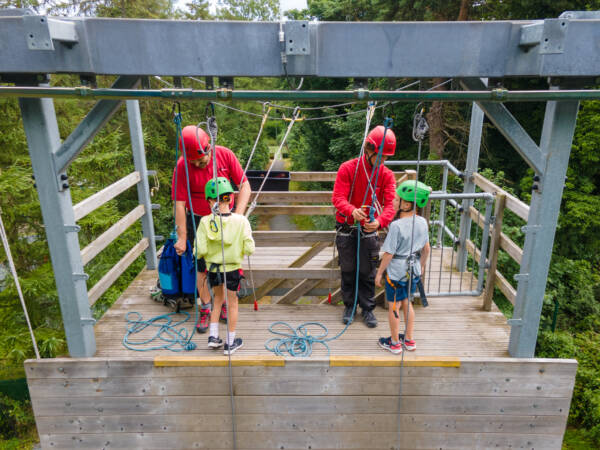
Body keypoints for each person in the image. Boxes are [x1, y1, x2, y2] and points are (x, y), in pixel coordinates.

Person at [172, 125, 251, 333]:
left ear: (208, 149)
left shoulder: (225, 155)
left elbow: (245, 186)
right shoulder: (182, 166)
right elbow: (180, 203)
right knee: (201, 266)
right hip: (198, 220)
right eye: (194, 163)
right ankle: (206, 306)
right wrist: (182, 237)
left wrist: (238, 218)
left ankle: (222, 303)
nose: (198, 165)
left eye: (201, 160)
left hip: (227, 219)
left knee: (226, 263)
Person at [331, 125, 398, 328]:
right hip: (347, 227)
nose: (382, 161)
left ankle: (367, 309)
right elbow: (338, 197)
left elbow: (390, 205)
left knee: (367, 271)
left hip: (369, 229)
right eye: (380, 156)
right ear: (368, 150)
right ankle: (350, 306)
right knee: (349, 270)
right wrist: (352, 210)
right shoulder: (348, 168)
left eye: (385, 158)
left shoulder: (386, 175)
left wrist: (380, 222)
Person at [194, 177, 255, 355]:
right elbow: (250, 249)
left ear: (210, 201)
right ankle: (230, 342)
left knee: (217, 301)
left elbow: (200, 250)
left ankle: (213, 337)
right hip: (233, 270)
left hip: (213, 270)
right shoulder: (241, 221)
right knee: (233, 303)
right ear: (230, 198)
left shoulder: (205, 222)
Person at [375, 180, 431, 354]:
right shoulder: (422, 222)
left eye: (397, 199)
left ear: (406, 204)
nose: (393, 201)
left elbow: (389, 253)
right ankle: (409, 340)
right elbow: (426, 249)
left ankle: (394, 343)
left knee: (394, 305)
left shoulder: (396, 226)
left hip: (397, 271)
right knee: (408, 302)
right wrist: (421, 267)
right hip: (413, 269)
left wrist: (379, 273)